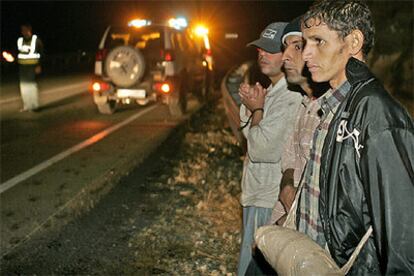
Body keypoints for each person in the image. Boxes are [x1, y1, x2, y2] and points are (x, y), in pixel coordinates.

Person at [300, 1, 414, 274]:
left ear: (353, 42)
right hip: (316, 260)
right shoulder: (331, 106)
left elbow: (401, 229)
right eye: (305, 43)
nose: (306, 54)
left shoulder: (377, 113)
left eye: (318, 41)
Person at [237, 22, 302, 276]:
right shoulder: (273, 91)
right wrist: (252, 106)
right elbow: (251, 136)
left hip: (268, 198)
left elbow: (261, 150)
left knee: (254, 268)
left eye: (270, 49)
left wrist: (257, 109)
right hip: (257, 192)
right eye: (259, 50)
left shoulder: (290, 97)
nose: (262, 54)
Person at [268, 16, 328, 226]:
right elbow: (289, 159)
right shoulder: (306, 104)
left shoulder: (333, 109)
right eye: (285, 47)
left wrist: (297, 219)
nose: (285, 56)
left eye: (297, 47)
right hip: (284, 220)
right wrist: (286, 185)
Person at [17, 23, 43, 112]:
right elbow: (18, 53)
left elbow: (41, 53)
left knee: (31, 87)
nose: (23, 31)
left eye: (24, 29)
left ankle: (34, 106)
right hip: (22, 68)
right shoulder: (20, 40)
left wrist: (39, 65)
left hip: (32, 67)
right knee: (24, 87)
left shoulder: (36, 40)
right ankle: (27, 106)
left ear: (29, 29)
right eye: (22, 30)